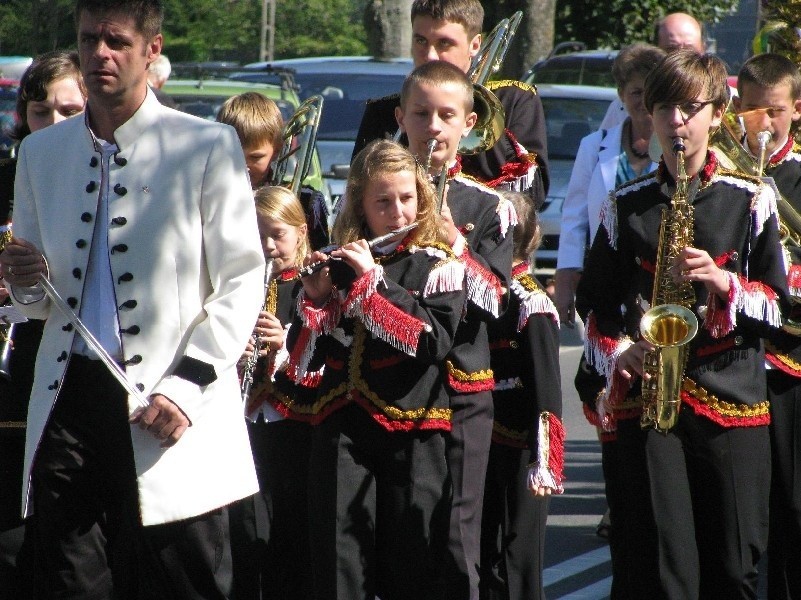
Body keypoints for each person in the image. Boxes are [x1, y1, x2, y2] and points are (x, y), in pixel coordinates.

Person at [0, 1, 265, 598]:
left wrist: (186, 384)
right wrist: (21, 276)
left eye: (116, 40)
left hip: (170, 399)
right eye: (89, 38)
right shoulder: (40, 153)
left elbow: (243, 279)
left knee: (183, 580)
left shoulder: (207, 145)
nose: (100, 54)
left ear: (152, 49)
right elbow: (37, 301)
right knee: (71, 579)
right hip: (70, 398)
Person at [576, 49, 788, 598]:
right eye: (665, 107)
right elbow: (594, 304)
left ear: (718, 114)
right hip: (652, 403)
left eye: (691, 109)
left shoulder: (750, 199)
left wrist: (724, 286)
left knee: (735, 564)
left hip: (731, 398)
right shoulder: (627, 206)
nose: (675, 122)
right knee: (665, 568)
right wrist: (619, 348)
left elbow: (780, 306)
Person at [288, 139, 465, 599]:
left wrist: (373, 284)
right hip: (342, 425)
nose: (397, 212)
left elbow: (431, 340)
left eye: (407, 199)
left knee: (412, 559)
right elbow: (301, 359)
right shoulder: (338, 257)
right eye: (382, 202)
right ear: (361, 206)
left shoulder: (438, 265)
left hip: (413, 429)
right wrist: (315, 297)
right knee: (338, 555)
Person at [396, 60, 515, 600]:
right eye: (421, 114)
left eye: (447, 115)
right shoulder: (377, 194)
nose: (433, 127)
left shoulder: (488, 205)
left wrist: (457, 244)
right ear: (401, 117)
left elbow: (496, 299)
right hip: (391, 386)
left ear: (468, 123)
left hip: (460, 389)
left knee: (455, 535)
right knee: (399, 534)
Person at [0, 49, 87, 600]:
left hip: (65, 368)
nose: (52, 124)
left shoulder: (107, 178)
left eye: (67, 110)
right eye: (39, 112)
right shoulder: (11, 174)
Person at [352, 0, 549, 206]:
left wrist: (484, 119)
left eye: (444, 43)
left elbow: (534, 193)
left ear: (474, 45)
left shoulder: (514, 99)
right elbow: (359, 194)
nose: (429, 55)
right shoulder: (385, 110)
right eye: (421, 41)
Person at [733, 52, 801, 600]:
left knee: (792, 500)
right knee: (743, 511)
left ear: (795, 111)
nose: (761, 123)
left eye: (772, 111)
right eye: (750, 110)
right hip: (735, 355)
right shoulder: (728, 173)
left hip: (790, 357)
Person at [479, 190, 564, 600]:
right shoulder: (479, 291)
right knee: (483, 551)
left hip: (519, 449)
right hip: (481, 443)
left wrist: (544, 461)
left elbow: (547, 389)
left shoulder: (532, 302)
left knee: (517, 558)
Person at [231, 185, 314, 600]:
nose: (267, 245)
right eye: (257, 234)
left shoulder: (312, 285)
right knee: (247, 530)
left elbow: (325, 356)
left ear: (300, 233)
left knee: (291, 530)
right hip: (247, 420)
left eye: (277, 234)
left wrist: (285, 344)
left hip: (295, 423)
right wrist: (238, 354)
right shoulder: (238, 285)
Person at [217, 92, 330, 250]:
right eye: (233, 156)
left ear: (277, 151)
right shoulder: (209, 197)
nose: (243, 165)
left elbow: (321, 254)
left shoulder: (305, 201)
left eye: (256, 157)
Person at [599, 12, 705, 130]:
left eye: (689, 50)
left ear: (703, 49)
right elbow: (604, 145)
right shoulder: (626, 106)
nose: (680, 58)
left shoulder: (724, 98)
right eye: (671, 49)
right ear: (655, 51)